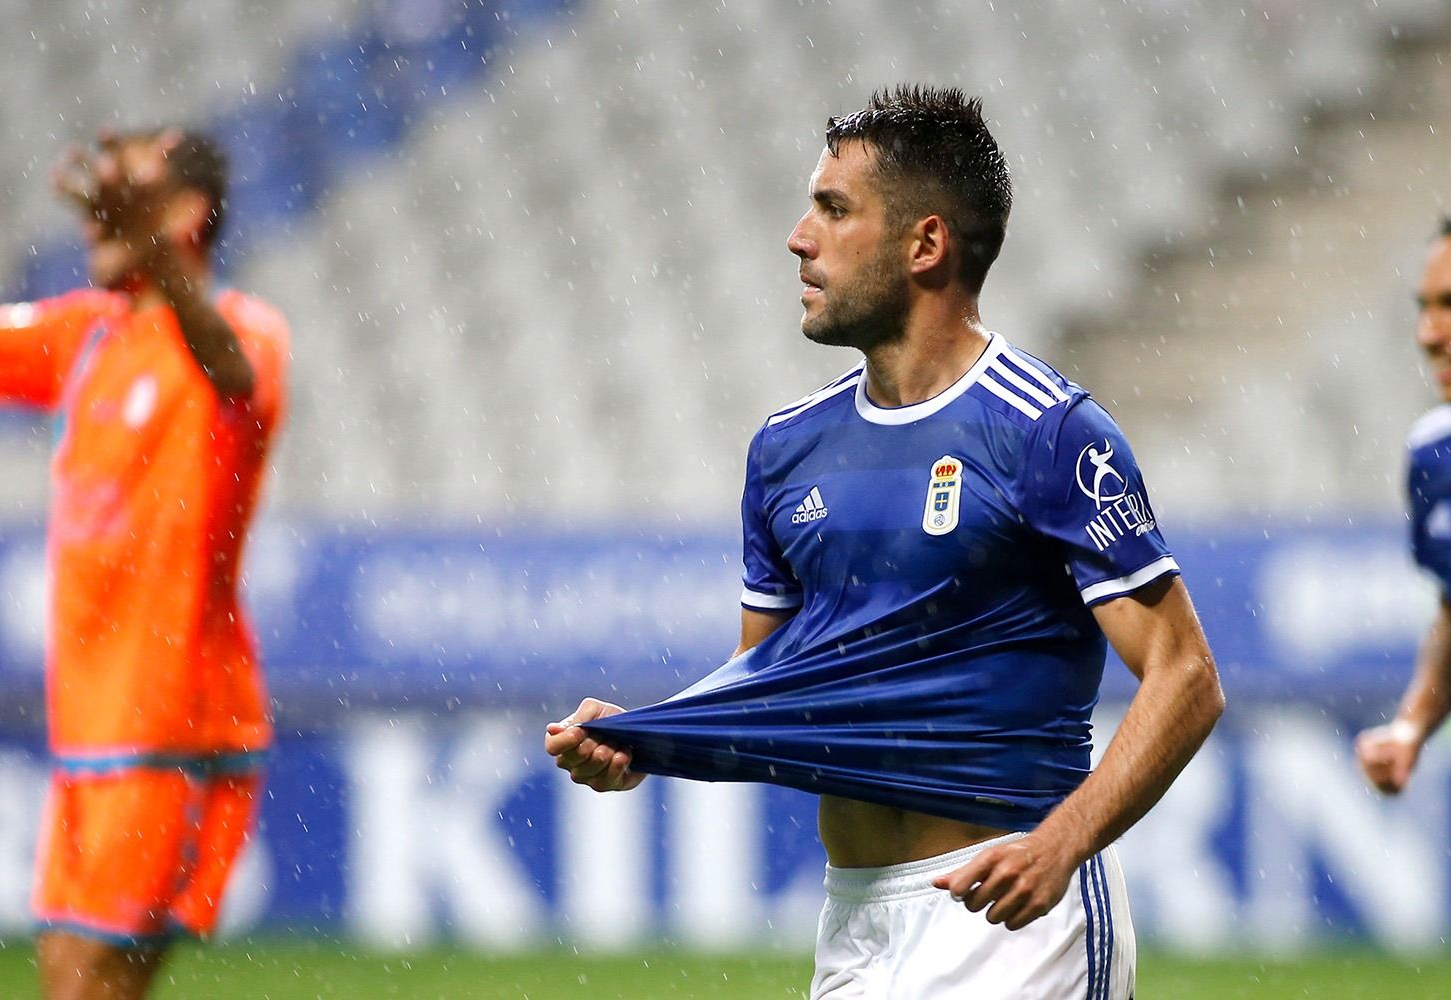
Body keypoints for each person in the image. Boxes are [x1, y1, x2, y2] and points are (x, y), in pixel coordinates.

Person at [545, 85, 1224, 998]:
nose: (798, 237)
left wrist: (1063, 843)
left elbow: (1186, 676)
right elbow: (773, 688)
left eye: (832, 209)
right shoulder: (786, 451)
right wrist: (650, 739)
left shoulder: (1047, 433)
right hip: (856, 924)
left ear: (926, 245)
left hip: (1013, 922)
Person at [0, 128, 288, 1000]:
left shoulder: (247, 333)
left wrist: (155, 257)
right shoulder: (86, 337)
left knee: (91, 990)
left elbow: (230, 370)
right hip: (87, 730)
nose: (98, 213)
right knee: (67, 980)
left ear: (183, 214)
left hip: (173, 722)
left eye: (128, 194)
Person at [1357, 218, 1451, 796]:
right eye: (1424, 307)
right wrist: (1412, 725)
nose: (1427, 332)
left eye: (1449, 305)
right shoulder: (1433, 459)